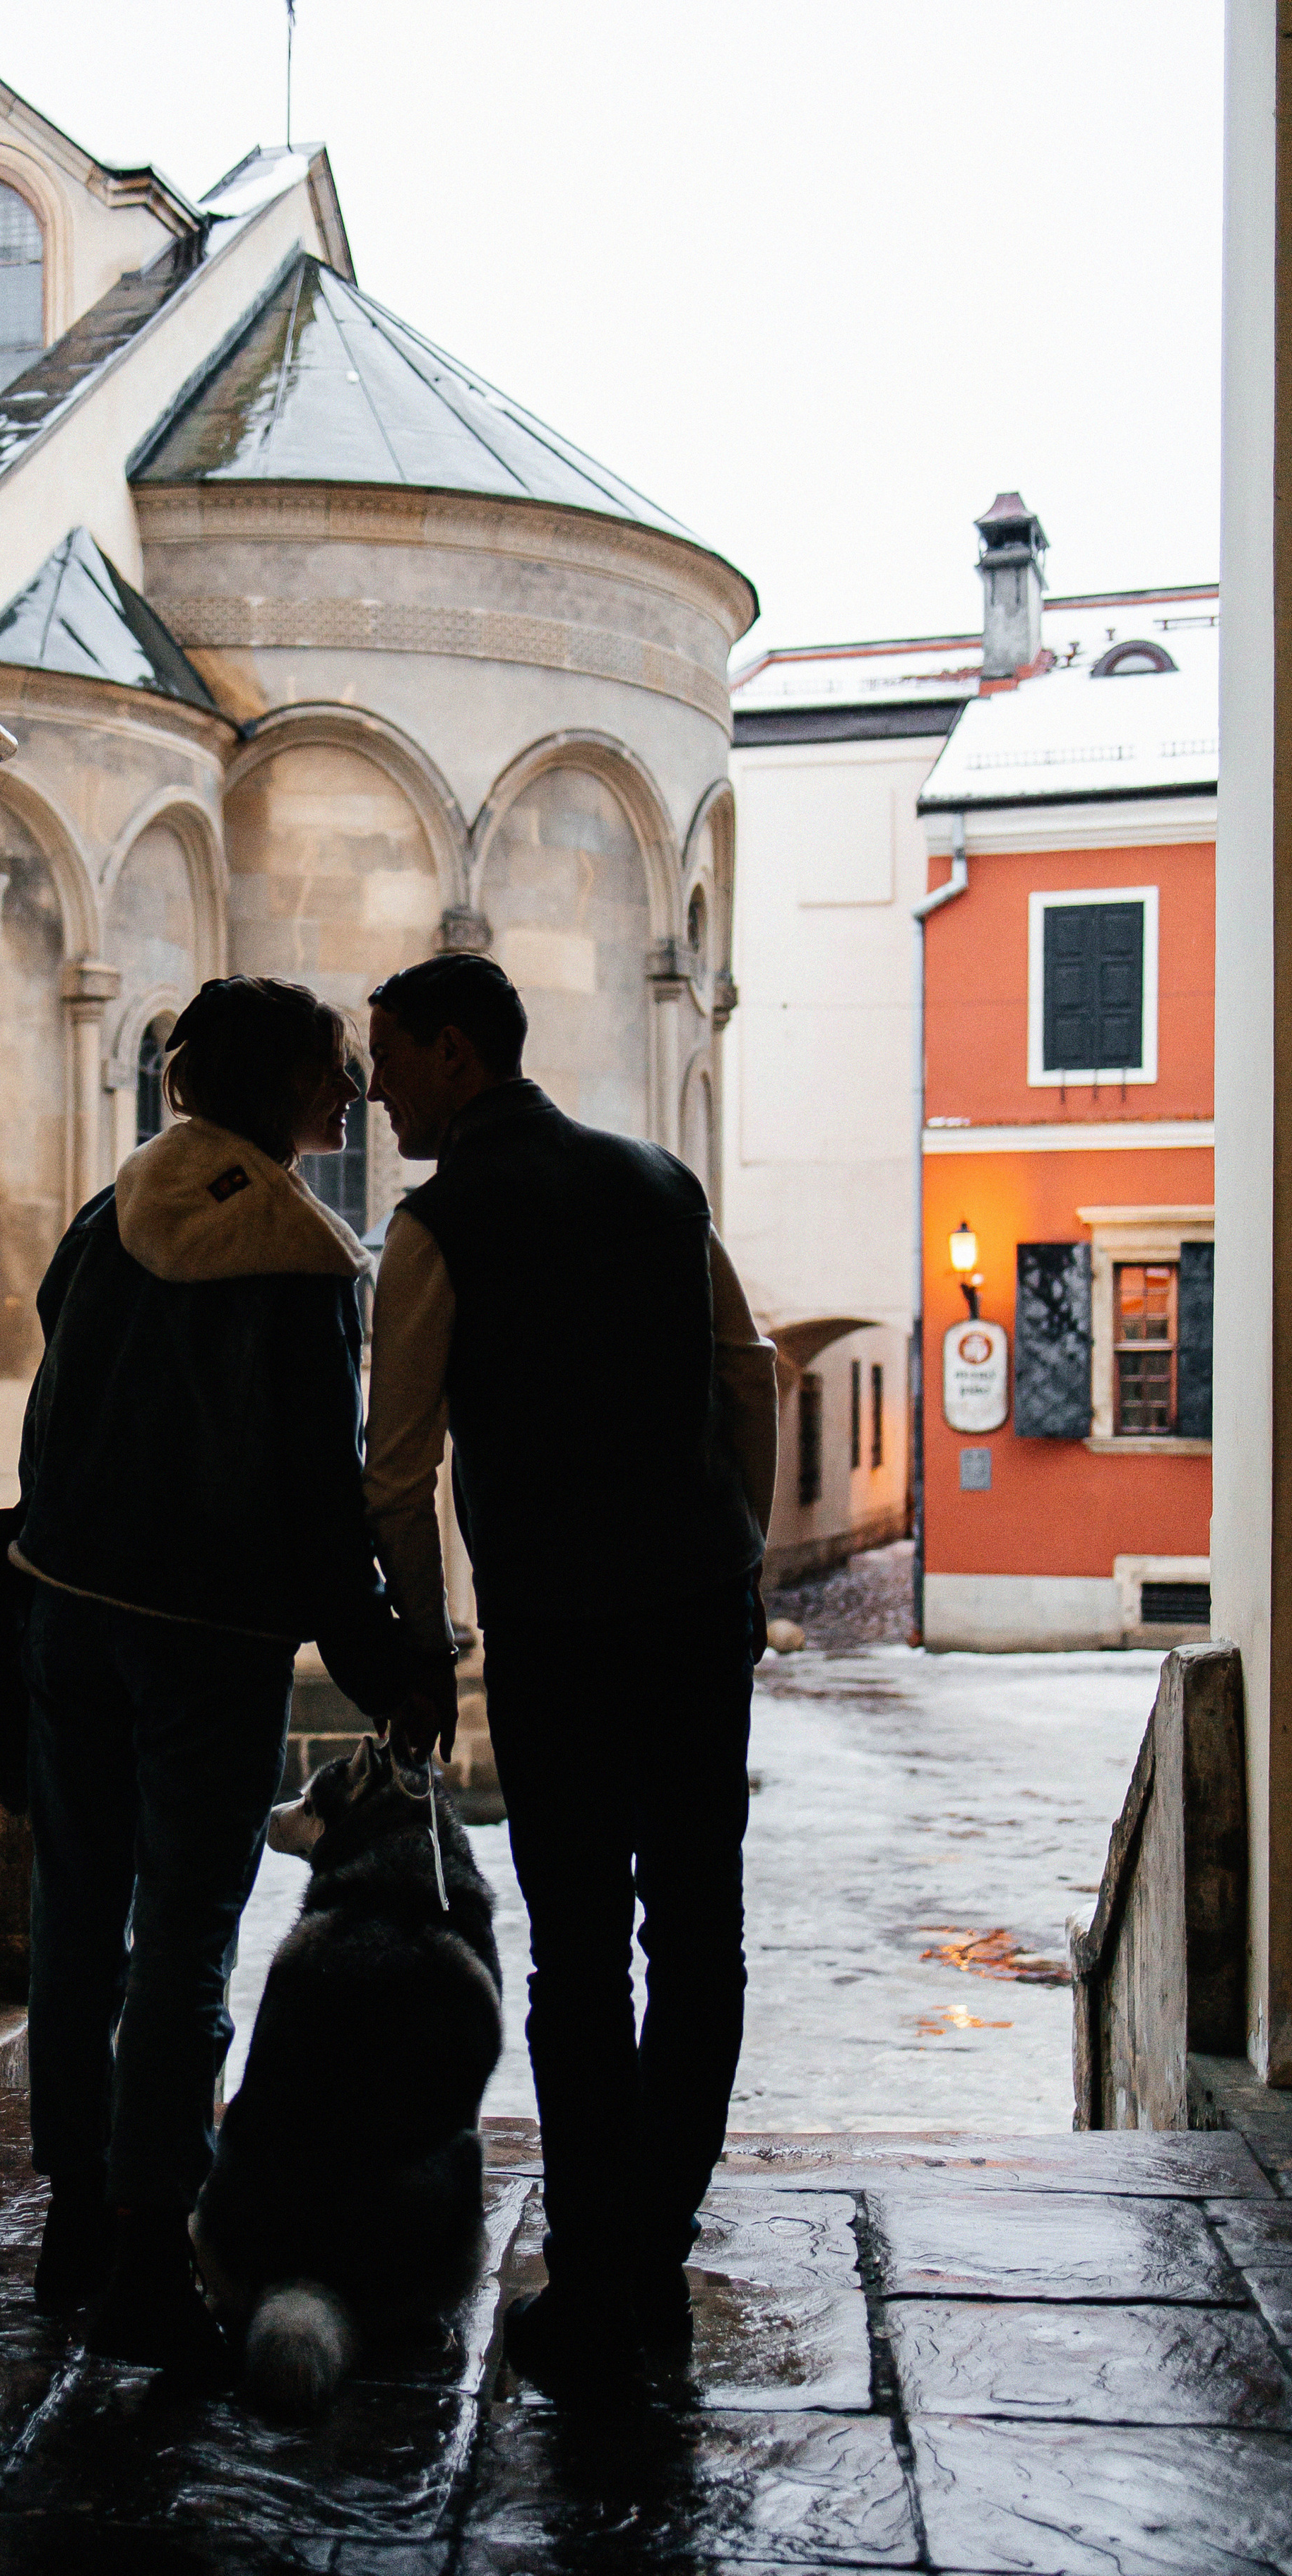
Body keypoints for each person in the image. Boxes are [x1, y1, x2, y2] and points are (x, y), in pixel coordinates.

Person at [11, 975, 444, 2380]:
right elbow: (321, 1505)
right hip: (208, 1639)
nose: (353, 1094)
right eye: (335, 1072)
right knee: (188, 1934)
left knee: (77, 1919)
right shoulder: (301, 1260)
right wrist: (384, 1661)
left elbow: (50, 1408)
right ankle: (149, 2249)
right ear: (281, 1089)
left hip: (70, 1613)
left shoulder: (107, 1216)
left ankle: (74, 2217)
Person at [361, 951, 778, 2383]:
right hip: (694, 1611)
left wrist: (426, 1645)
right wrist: (741, 1559)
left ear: (456, 1051)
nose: (376, 1087)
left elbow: (395, 1473)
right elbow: (746, 1372)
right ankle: (649, 2254)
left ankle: (600, 2272)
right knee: (701, 1937)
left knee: (582, 1954)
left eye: (390, 1056)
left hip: (556, 1632)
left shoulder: (435, 1224)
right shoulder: (661, 1184)